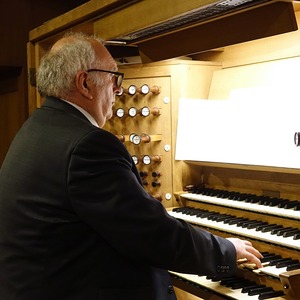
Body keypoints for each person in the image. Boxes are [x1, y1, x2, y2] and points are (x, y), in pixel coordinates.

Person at [0, 32, 262, 300]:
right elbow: (154, 236)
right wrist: (227, 251)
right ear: (84, 83)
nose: (118, 89)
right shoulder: (87, 146)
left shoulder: (38, 127)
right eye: (113, 77)